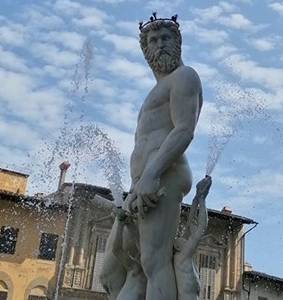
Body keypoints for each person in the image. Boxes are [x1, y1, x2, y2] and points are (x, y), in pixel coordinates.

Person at [100, 13, 204, 300]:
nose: (160, 45)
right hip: (143, 183)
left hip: (163, 176)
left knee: (152, 262)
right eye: (153, 40)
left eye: (166, 38)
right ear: (145, 50)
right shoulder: (156, 90)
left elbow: (184, 130)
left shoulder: (185, 77)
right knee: (113, 270)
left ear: (178, 43)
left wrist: (151, 174)